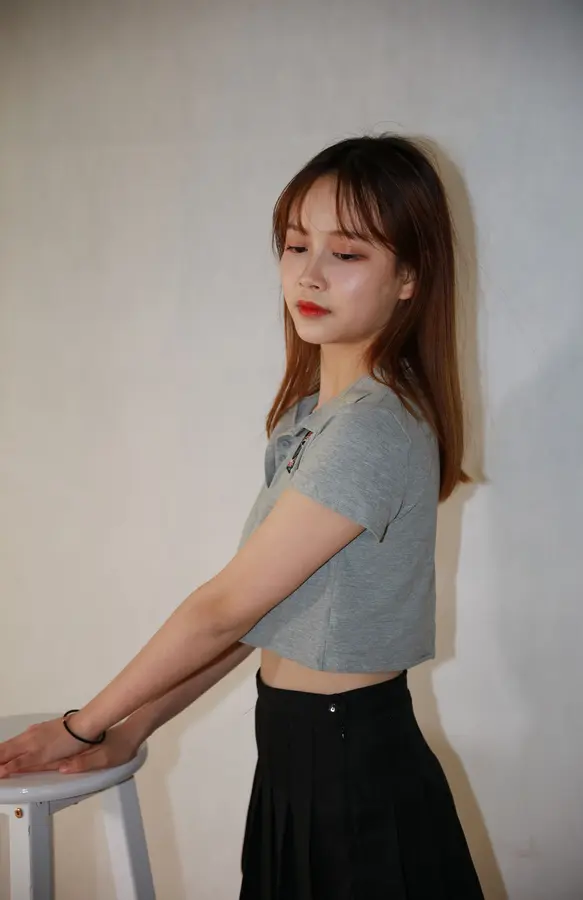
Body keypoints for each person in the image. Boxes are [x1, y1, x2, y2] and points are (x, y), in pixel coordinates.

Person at [0, 133, 484, 898]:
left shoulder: (374, 427)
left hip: (354, 775)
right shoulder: (308, 420)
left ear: (409, 277)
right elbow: (256, 616)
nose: (310, 274)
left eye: (346, 252)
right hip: (297, 761)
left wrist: (80, 724)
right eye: (295, 245)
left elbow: (222, 608)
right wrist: (132, 726)